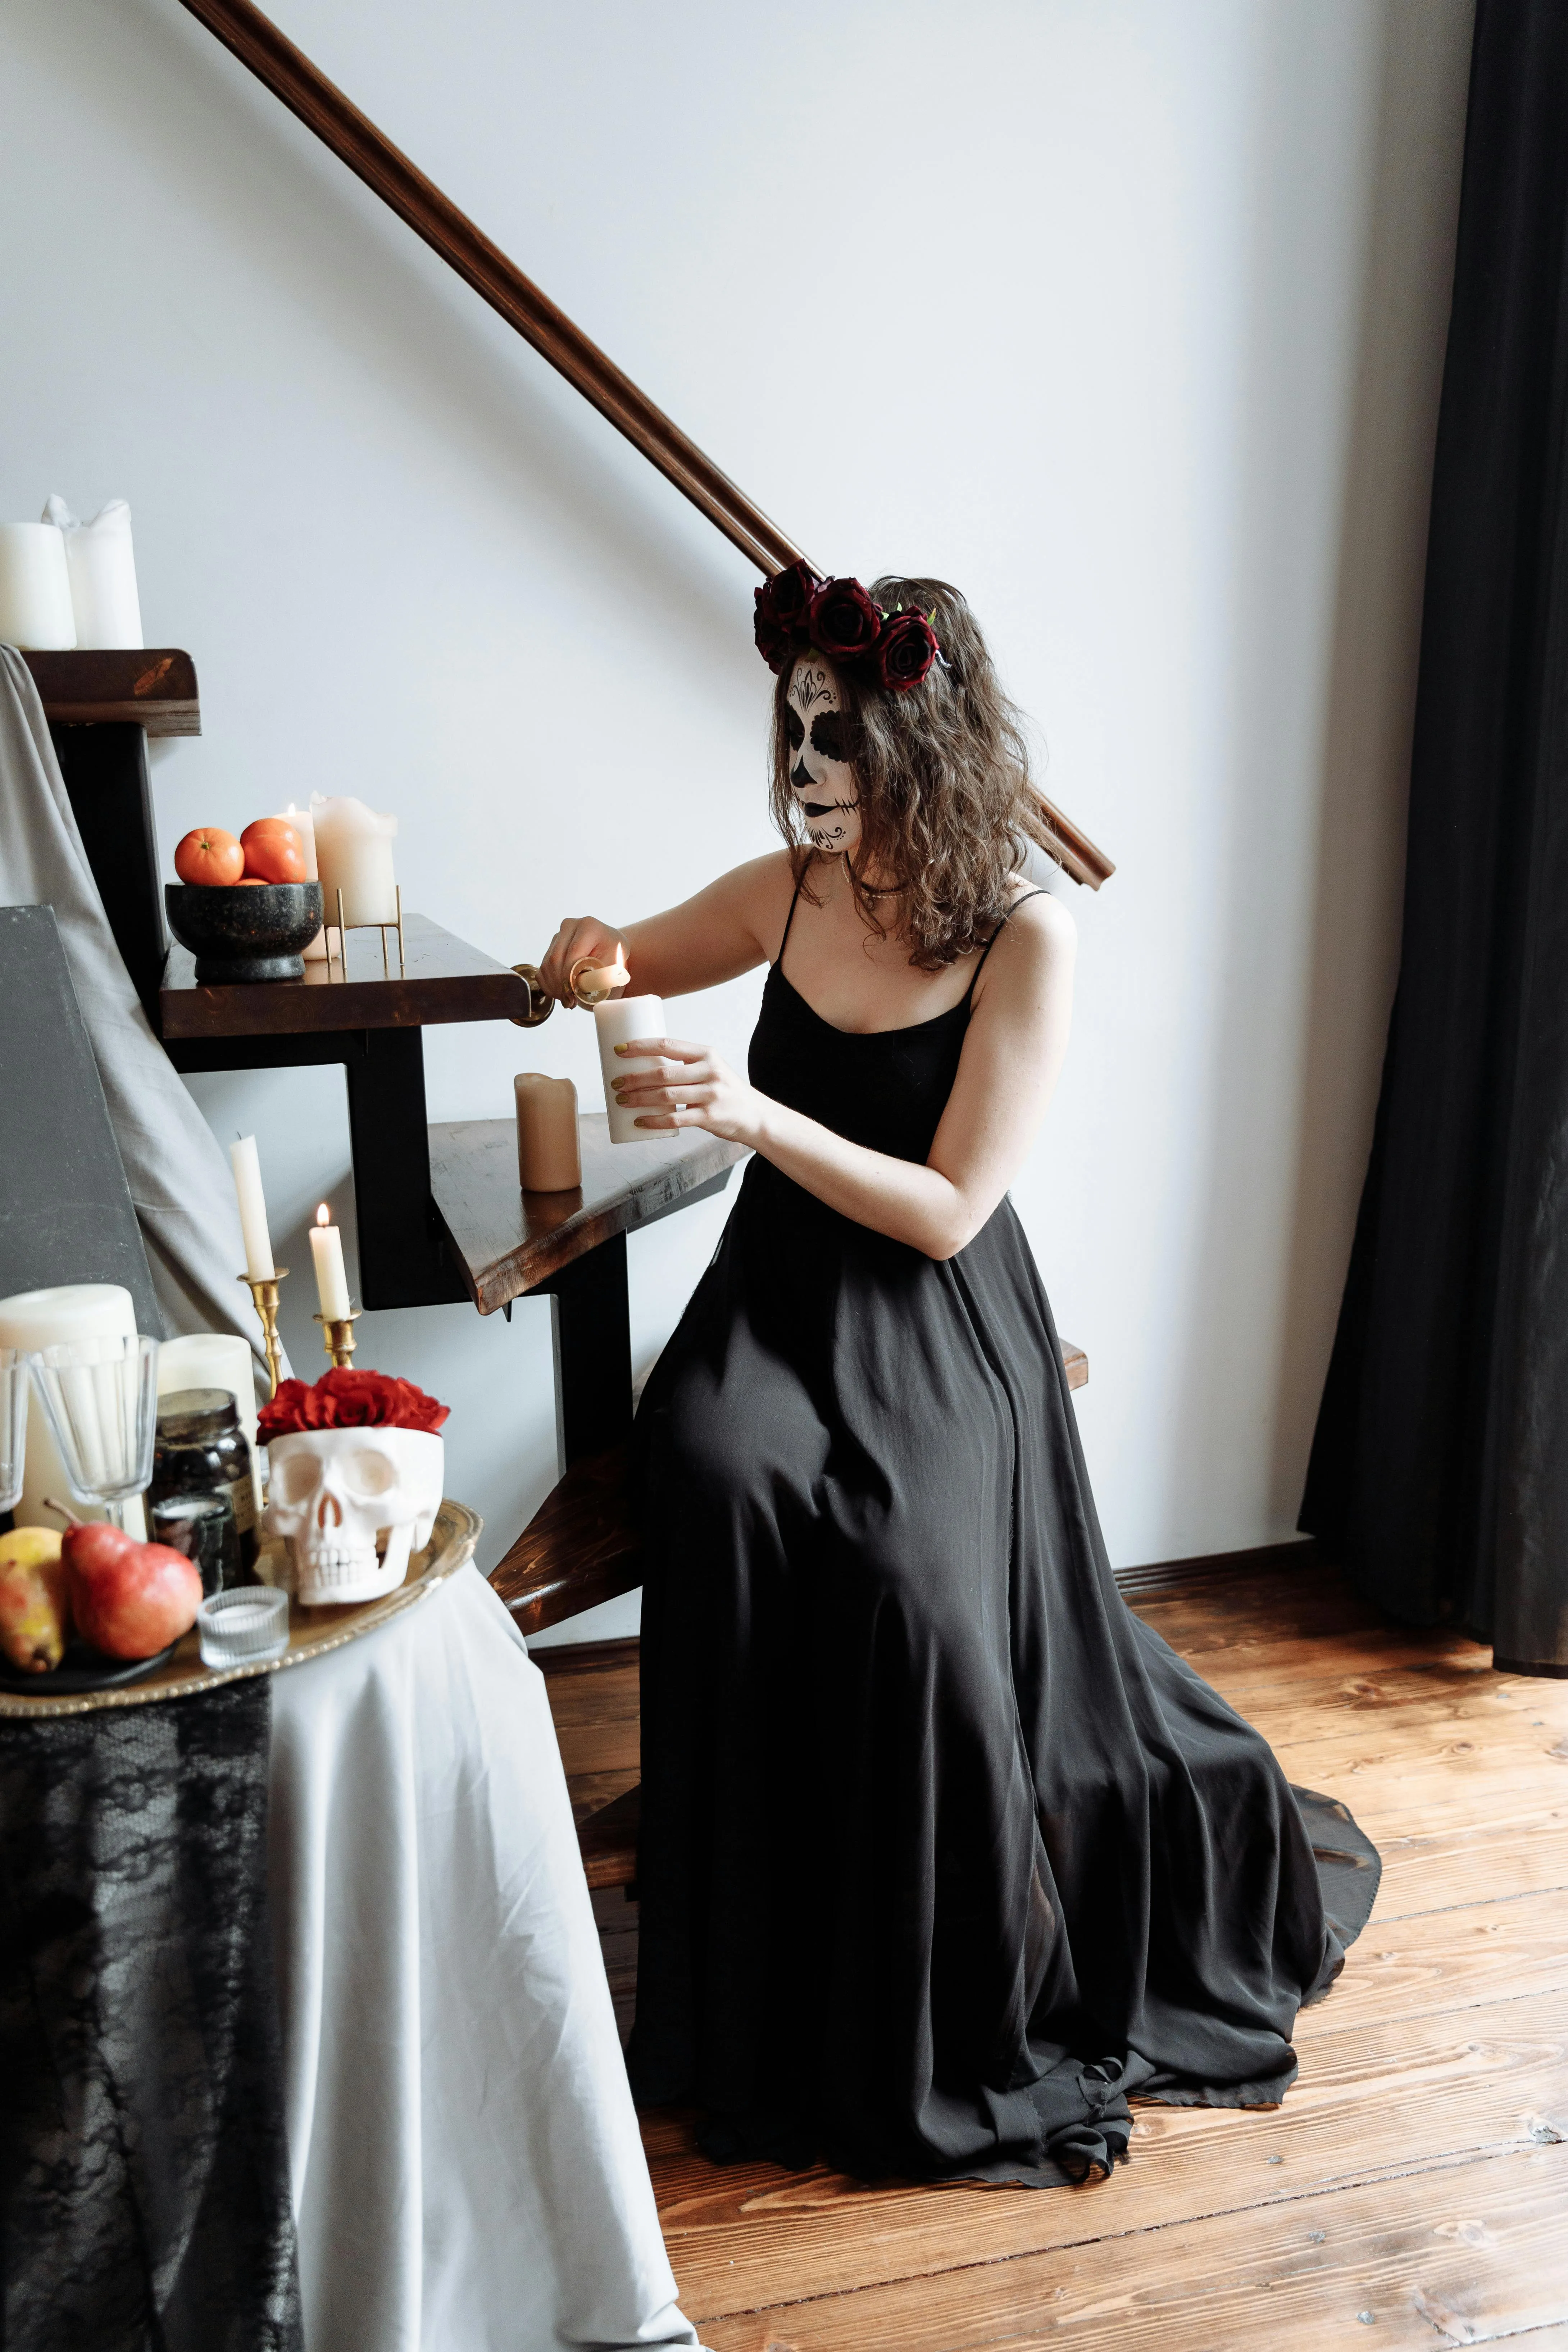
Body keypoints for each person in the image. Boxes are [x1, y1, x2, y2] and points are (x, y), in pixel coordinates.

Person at [537, 568, 1379, 2187]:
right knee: (707, 1471)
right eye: (790, 731)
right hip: (773, 1298)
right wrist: (587, 960)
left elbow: (945, 1210)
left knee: (915, 1600)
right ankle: (748, 1974)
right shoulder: (786, 889)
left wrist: (752, 1114)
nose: (802, 768)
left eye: (831, 735)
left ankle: (931, 1986)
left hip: (933, 1314)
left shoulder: (1026, 930)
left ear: (918, 741)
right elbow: (623, 959)